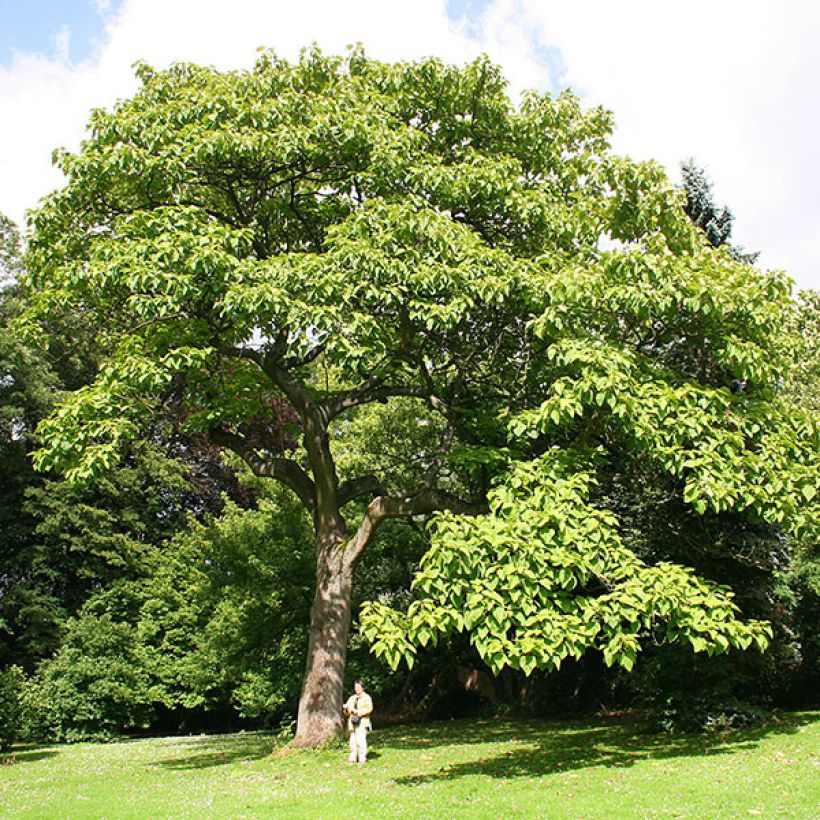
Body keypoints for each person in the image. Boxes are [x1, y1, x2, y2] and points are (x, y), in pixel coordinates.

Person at [343, 680, 373, 764]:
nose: (357, 689)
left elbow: (369, 709)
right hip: (352, 722)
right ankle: (353, 757)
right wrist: (346, 709)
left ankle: (362, 757)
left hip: (362, 722)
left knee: (361, 739)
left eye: (359, 687)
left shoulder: (366, 697)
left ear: (362, 688)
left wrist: (358, 713)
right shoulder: (352, 698)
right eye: (356, 687)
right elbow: (348, 710)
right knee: (353, 740)